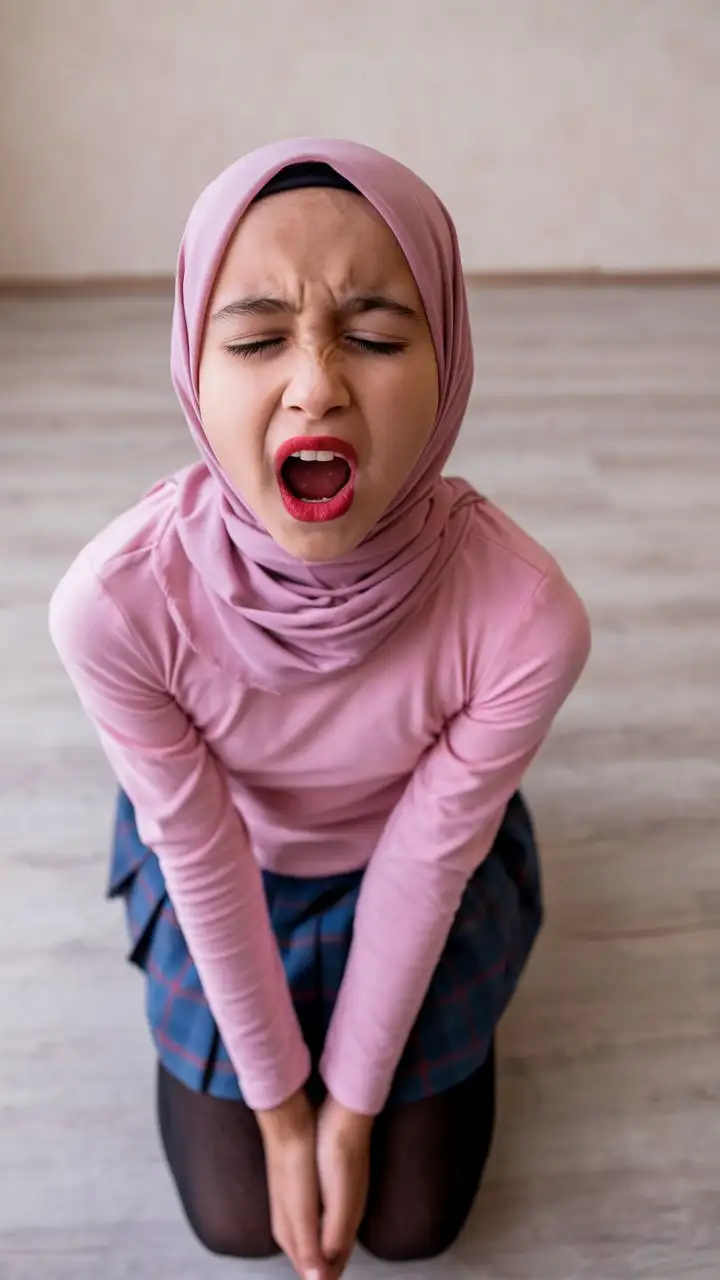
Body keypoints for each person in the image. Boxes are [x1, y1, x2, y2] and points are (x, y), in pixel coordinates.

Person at [49, 137, 591, 1278]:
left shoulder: (525, 613)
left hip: (420, 852)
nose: (314, 384)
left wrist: (345, 1107)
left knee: (411, 1222)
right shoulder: (114, 603)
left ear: (449, 360)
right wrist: (281, 1106)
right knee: (237, 1217)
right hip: (226, 852)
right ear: (192, 368)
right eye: (254, 339)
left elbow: (427, 860)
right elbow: (197, 850)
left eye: (377, 336)